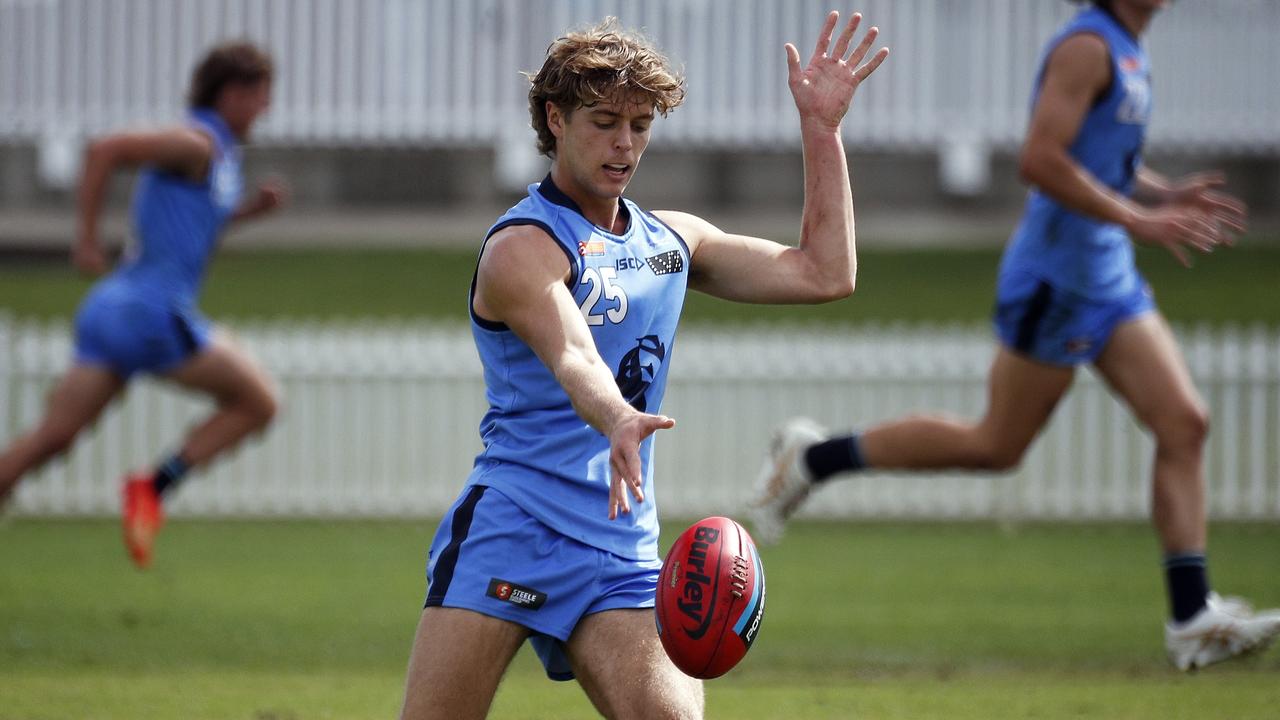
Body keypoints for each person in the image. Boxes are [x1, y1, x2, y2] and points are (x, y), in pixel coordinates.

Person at [750, 0, 1280, 673]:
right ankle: (814, 459)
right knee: (995, 445)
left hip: (1105, 274)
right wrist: (1141, 220)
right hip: (1057, 279)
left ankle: (1191, 616)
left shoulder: (1126, 44)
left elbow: (1098, 155)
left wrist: (1158, 194)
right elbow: (1041, 159)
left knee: (1186, 423)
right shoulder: (1086, 47)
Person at [399, 11, 888, 720]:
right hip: (514, 525)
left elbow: (823, 273)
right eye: (603, 121)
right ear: (554, 118)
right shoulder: (522, 247)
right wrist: (619, 416)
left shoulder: (670, 241)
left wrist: (823, 130)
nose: (624, 143)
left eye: (641, 124)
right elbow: (571, 351)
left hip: (619, 546)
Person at [0, 41, 284, 568]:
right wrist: (85, 238)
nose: (266, 110)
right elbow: (105, 149)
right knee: (260, 401)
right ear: (232, 93)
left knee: (49, 440)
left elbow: (192, 226)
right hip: (153, 314)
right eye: (261, 97)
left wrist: (248, 213)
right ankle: (152, 489)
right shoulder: (195, 142)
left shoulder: (217, 156)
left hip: (112, 308)